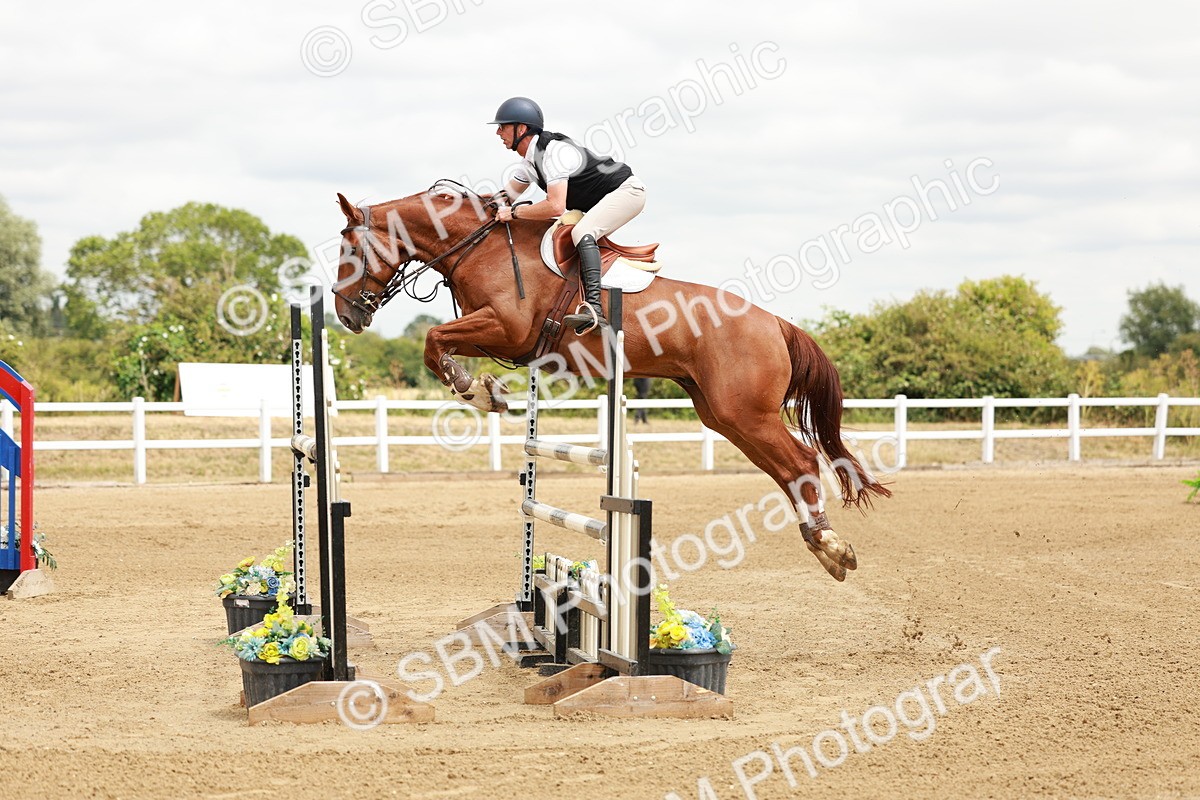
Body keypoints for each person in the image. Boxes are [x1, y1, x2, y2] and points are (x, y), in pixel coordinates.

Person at [489, 96, 646, 334]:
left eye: (503, 126)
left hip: (627, 192)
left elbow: (555, 207)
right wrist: (464, 202)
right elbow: (502, 199)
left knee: (582, 231)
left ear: (521, 128)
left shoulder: (554, 153)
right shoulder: (530, 163)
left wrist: (514, 213)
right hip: (602, 200)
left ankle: (595, 309)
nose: (498, 133)